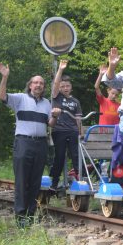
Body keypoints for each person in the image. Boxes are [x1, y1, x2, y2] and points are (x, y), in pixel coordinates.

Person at [0, 62, 60, 227]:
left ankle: (30, 214)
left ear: (43, 87)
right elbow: (2, 96)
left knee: (35, 181)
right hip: (23, 142)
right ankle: (20, 216)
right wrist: (5, 77)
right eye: (36, 82)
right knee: (21, 180)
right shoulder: (20, 99)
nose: (38, 85)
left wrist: (55, 116)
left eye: (41, 83)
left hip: (40, 144)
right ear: (30, 85)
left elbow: (51, 124)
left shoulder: (47, 103)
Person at [49, 59, 83, 189]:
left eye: (67, 86)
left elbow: (78, 119)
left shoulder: (75, 101)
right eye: (62, 86)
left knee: (76, 155)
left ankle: (80, 179)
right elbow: (56, 83)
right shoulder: (57, 97)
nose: (65, 88)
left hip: (73, 131)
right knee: (60, 155)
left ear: (71, 87)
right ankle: (55, 181)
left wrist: (80, 132)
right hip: (59, 130)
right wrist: (61, 69)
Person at [94, 64, 120, 130]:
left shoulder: (119, 105)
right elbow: (96, 87)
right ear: (108, 91)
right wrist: (101, 75)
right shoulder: (103, 100)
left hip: (115, 131)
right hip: (103, 131)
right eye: (112, 93)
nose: (114, 96)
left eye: (116, 95)